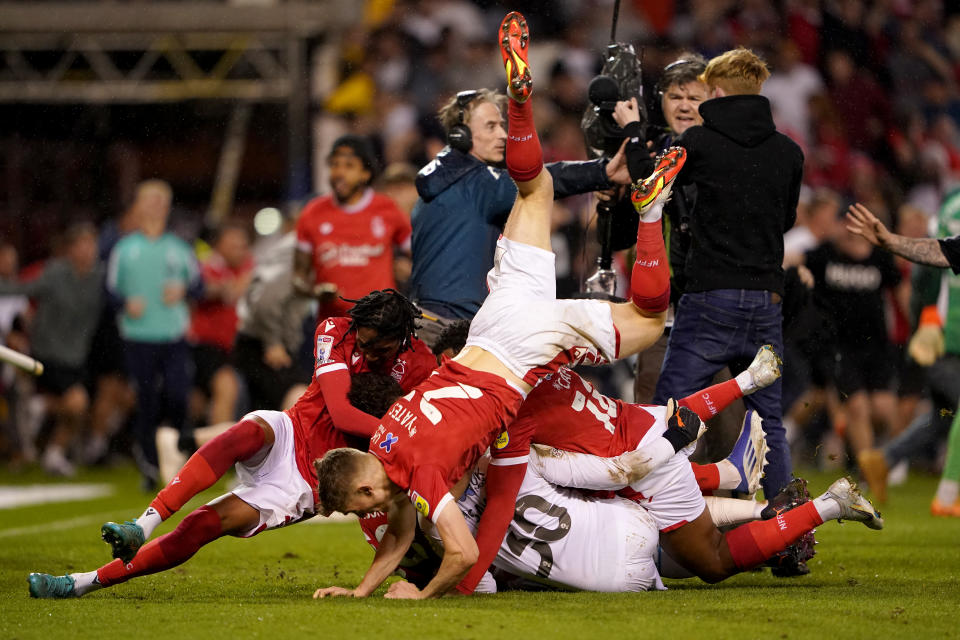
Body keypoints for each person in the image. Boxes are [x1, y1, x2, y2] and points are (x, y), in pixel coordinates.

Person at [308, 11, 684, 600]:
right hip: (489, 324)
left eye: (367, 506)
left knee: (649, 321)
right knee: (536, 191)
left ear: (365, 493)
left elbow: (458, 553)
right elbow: (401, 525)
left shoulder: (421, 477)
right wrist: (360, 592)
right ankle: (519, 100)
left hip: (522, 348)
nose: (376, 513)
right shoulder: (384, 439)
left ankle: (652, 212)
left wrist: (421, 594)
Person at [26, 289, 438, 599]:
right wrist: (390, 425)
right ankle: (142, 524)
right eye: (361, 342)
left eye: (375, 347)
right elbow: (343, 413)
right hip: (292, 430)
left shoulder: (421, 365)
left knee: (204, 525)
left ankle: (82, 583)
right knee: (242, 433)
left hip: (311, 481)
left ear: (401, 337)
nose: (363, 351)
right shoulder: (336, 330)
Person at [652, 47, 804, 500]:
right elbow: (786, 220)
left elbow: (654, 190)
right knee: (766, 419)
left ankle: (651, 513)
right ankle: (789, 536)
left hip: (709, 299)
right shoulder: (789, 152)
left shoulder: (698, 143)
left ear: (716, 92)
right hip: (766, 302)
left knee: (668, 410)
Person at [407, 82, 633, 348]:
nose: (503, 134)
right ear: (460, 135)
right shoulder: (479, 184)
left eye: (502, 125)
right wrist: (602, 172)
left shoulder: (436, 184)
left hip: (423, 322)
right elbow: (541, 180)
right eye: (491, 126)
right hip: (454, 327)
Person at [847, 201, 960, 513]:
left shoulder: (950, 203)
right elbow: (944, 252)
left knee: (942, 416)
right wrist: (892, 241)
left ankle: (884, 460)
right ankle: (949, 496)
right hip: (944, 337)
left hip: (937, 334)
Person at [106, 179, 202, 487]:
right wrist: (125, 302)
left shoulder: (179, 247)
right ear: (139, 204)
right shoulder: (125, 248)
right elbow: (108, 290)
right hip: (138, 335)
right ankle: (148, 463)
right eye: (149, 200)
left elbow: (199, 284)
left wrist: (184, 289)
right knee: (146, 400)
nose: (155, 206)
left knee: (177, 396)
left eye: (161, 200)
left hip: (173, 334)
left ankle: (178, 459)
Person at [0, 223, 103, 476]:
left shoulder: (100, 277)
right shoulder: (55, 272)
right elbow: (20, 289)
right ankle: (44, 427)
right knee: (78, 402)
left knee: (78, 408)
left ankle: (51, 444)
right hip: (47, 354)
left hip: (77, 356)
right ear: (70, 249)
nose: (88, 250)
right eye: (82, 244)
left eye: (92, 244)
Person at [294, 135, 411, 321]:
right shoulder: (312, 213)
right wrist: (315, 291)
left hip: (382, 324)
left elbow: (418, 254)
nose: (339, 172)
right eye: (334, 165)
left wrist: (408, 271)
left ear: (365, 173)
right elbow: (298, 277)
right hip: (333, 325)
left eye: (349, 166)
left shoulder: (387, 209)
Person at [187, 221, 254, 427]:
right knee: (226, 387)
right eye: (233, 245)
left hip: (235, 346)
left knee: (206, 399)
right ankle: (217, 454)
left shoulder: (247, 265)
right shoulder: (208, 265)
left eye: (242, 245)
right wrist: (239, 284)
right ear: (219, 246)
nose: (239, 250)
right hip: (205, 345)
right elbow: (215, 290)